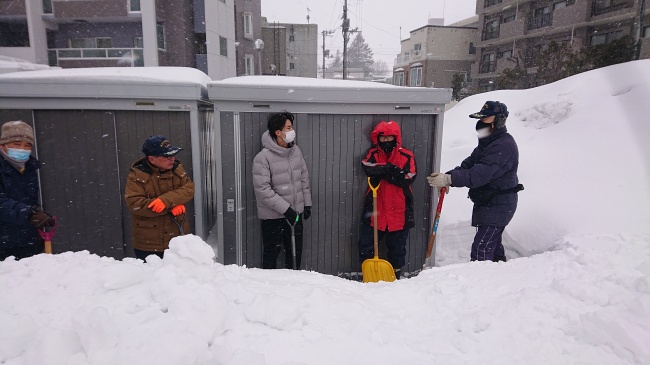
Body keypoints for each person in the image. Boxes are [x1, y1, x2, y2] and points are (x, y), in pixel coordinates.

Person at [427, 101, 522, 262]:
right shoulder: (487, 144)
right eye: (480, 119)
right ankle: (501, 278)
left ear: (498, 120)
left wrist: (450, 179)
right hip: (489, 202)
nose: (481, 122)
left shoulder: (503, 146)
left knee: (481, 249)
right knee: (493, 247)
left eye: (486, 119)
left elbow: (480, 174)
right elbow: (469, 165)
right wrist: (448, 177)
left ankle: (480, 283)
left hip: (499, 203)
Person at [252, 111, 312, 270]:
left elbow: (303, 178)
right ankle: (269, 291)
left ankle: (294, 290)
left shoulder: (295, 151)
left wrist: (306, 203)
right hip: (273, 219)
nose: (292, 131)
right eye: (289, 127)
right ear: (278, 132)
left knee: (294, 256)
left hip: (295, 216)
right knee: (271, 257)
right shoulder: (262, 158)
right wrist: (286, 209)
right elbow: (263, 189)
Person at [358, 121, 417, 279]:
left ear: (396, 138)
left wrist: (384, 173)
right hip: (375, 211)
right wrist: (390, 169)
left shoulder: (406, 155)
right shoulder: (373, 154)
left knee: (397, 249)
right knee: (366, 246)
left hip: (399, 212)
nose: (386, 142)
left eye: (389, 138)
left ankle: (395, 276)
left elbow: (408, 177)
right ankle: (369, 275)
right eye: (382, 139)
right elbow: (367, 167)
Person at [124, 135, 194, 261]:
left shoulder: (177, 169)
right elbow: (135, 203)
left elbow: (188, 189)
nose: (171, 159)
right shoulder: (137, 176)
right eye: (166, 156)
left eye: (172, 155)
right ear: (151, 158)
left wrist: (166, 201)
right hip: (149, 243)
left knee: (180, 278)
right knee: (152, 278)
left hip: (177, 239)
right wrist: (170, 207)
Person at [0, 120, 54, 261]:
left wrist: (39, 217)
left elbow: (28, 201)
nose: (22, 149)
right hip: (3, 246)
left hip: (27, 242)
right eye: (17, 144)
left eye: (27, 145)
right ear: (3, 145)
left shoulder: (28, 167)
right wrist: (28, 213)